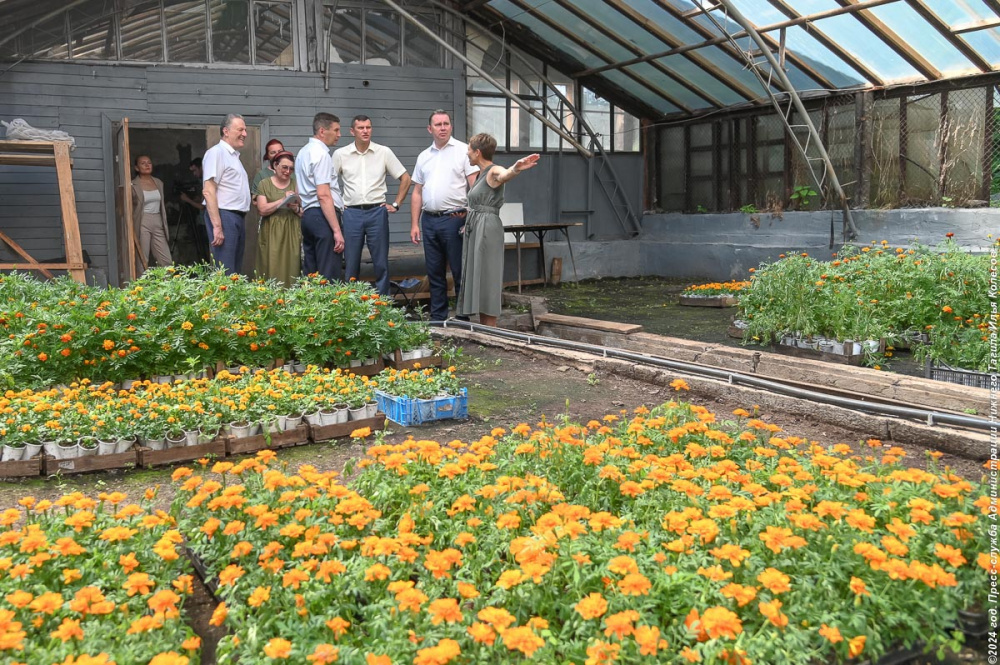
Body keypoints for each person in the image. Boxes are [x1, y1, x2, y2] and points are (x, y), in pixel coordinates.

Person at [457, 134, 539, 327]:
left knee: (488, 274)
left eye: (469, 149)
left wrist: (516, 168)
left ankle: (491, 329)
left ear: (477, 152)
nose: (467, 152)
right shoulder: (479, 174)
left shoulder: (492, 170)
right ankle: (485, 328)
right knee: (478, 272)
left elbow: (503, 175)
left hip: (486, 228)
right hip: (477, 225)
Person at [410, 110, 479, 321]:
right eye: (438, 124)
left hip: (454, 219)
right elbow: (417, 192)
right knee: (434, 270)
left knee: (459, 269)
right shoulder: (424, 156)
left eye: (446, 124)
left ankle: (463, 316)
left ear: (451, 126)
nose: (443, 128)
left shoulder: (463, 151)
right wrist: (414, 224)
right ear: (429, 129)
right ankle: (438, 316)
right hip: (429, 220)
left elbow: (474, 186)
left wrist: (470, 215)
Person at [333, 115, 412, 296]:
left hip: (377, 211)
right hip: (351, 212)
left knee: (381, 262)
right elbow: (329, 183)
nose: (365, 131)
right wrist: (339, 205)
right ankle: (350, 304)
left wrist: (396, 204)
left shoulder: (383, 152)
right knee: (351, 262)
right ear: (352, 131)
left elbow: (405, 178)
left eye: (368, 127)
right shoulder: (341, 154)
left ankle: (383, 305)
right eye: (360, 128)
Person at [296, 113, 346, 280]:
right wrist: (337, 230)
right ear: (323, 131)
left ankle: (310, 305)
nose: (339, 134)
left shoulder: (303, 152)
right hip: (323, 215)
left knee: (311, 271)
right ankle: (328, 306)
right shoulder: (321, 154)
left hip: (309, 215)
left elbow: (298, 187)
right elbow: (324, 194)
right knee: (328, 273)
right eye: (336, 130)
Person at [202, 113, 251, 275]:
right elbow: (208, 191)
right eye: (240, 129)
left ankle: (231, 301)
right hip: (225, 216)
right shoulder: (216, 153)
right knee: (226, 270)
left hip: (236, 216)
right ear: (226, 131)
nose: (244, 134)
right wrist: (217, 226)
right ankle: (223, 301)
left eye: (245, 130)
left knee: (235, 270)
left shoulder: (234, 157)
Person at [255, 151, 302, 287]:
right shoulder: (264, 184)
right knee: (270, 266)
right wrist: (283, 199)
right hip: (271, 231)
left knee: (291, 266)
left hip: (291, 230)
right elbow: (262, 209)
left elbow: (304, 211)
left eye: (291, 169)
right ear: (275, 165)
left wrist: (296, 208)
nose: (288, 171)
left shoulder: (296, 184)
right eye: (284, 167)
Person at [130, 155, 172, 272]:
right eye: (143, 163)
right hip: (143, 220)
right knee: (143, 257)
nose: (147, 165)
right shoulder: (132, 185)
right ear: (137, 168)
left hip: (158, 219)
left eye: (149, 162)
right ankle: (141, 287)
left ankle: (167, 286)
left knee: (165, 258)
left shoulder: (158, 182)